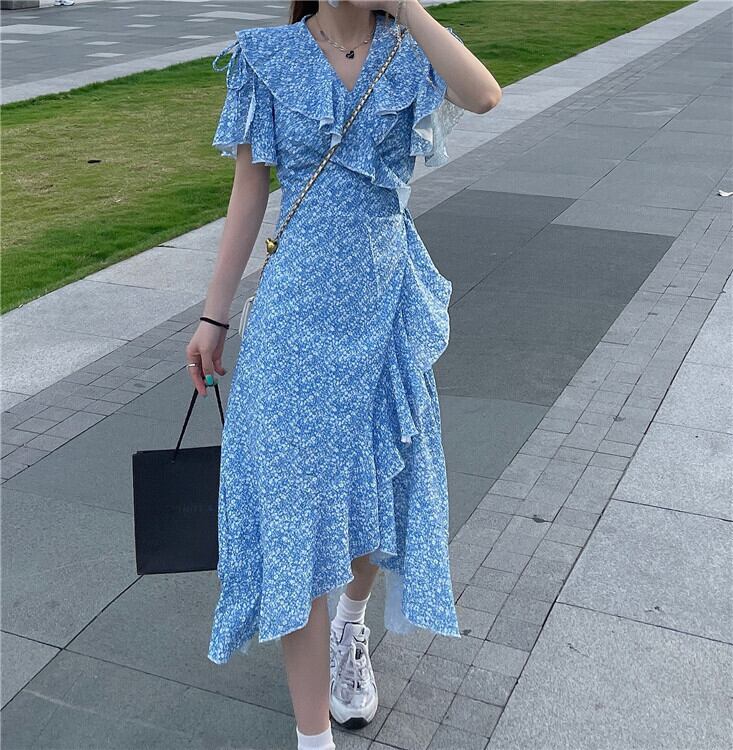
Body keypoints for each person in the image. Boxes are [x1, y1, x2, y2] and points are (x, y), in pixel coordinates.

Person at [186, 1, 501, 748]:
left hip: (384, 302)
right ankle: (312, 737)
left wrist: (410, 7)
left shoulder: (409, 46)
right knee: (295, 509)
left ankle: (349, 627)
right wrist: (213, 317)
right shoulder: (266, 56)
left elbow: (483, 94)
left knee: (373, 483)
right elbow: (249, 191)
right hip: (295, 312)